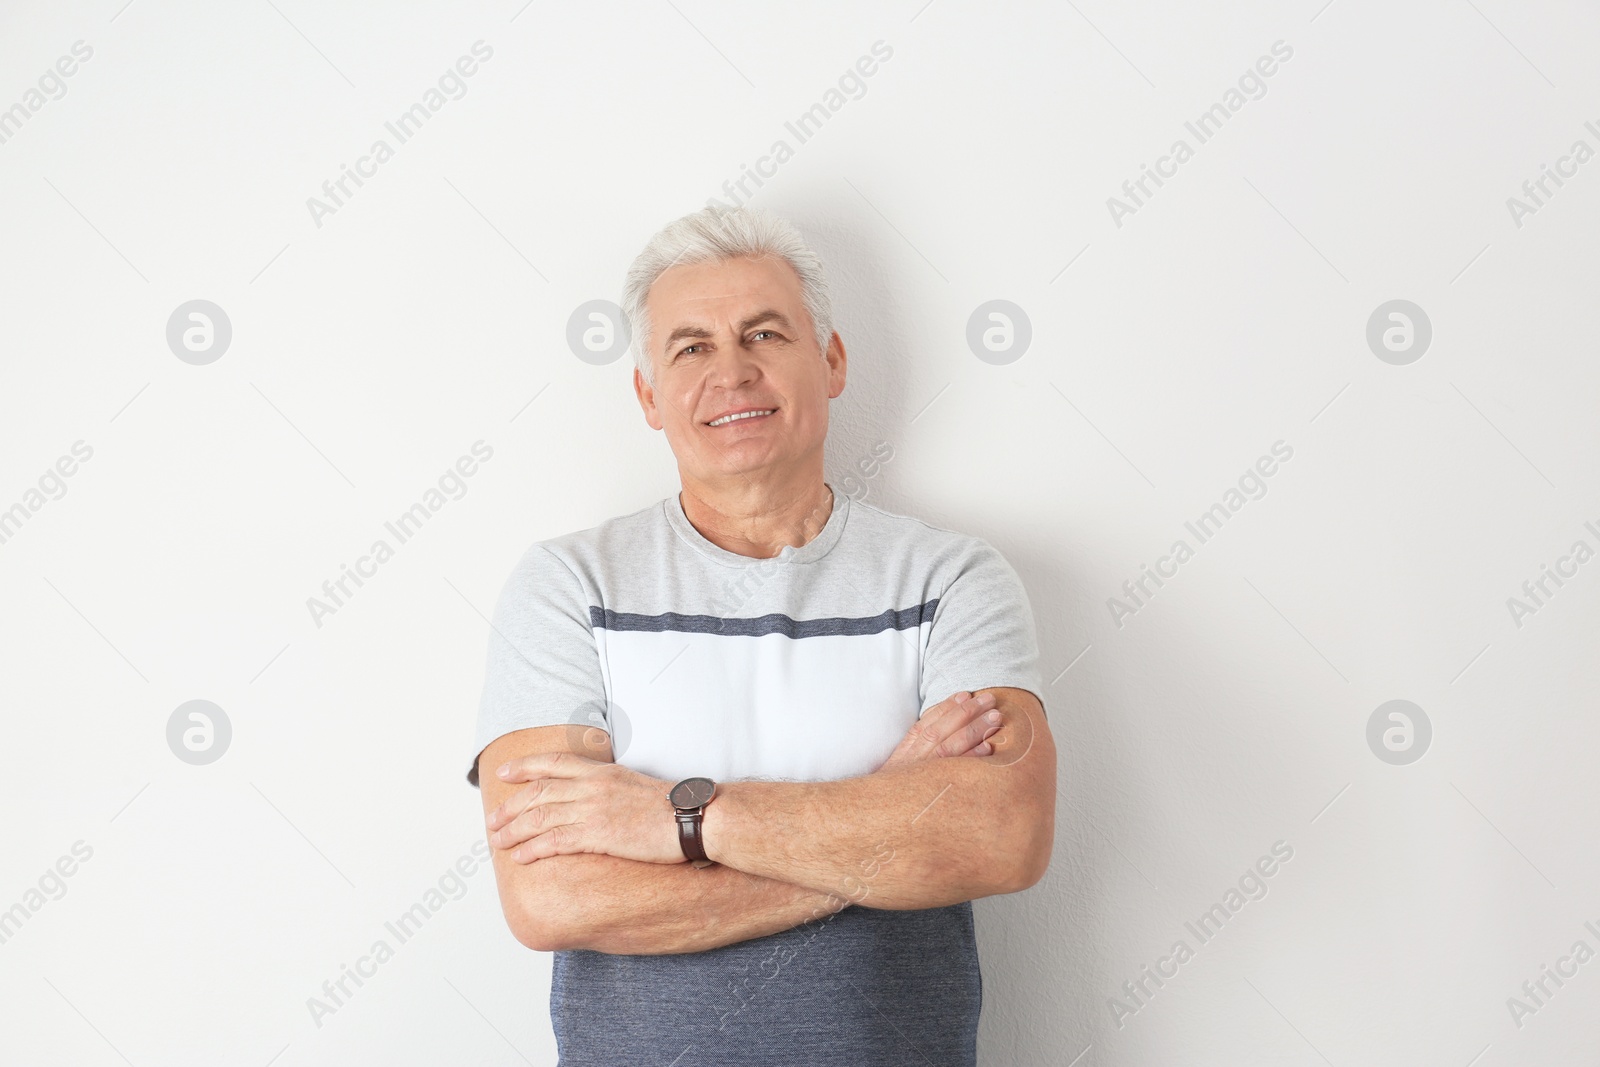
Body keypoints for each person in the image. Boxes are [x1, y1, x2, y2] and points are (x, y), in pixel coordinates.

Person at [466, 203, 1056, 1066]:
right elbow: (551, 896)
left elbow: (998, 836)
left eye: (765, 334)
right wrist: (880, 822)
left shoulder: (950, 580)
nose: (731, 372)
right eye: (691, 346)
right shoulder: (568, 586)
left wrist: (678, 821)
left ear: (832, 360)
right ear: (648, 395)